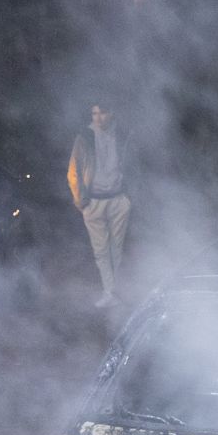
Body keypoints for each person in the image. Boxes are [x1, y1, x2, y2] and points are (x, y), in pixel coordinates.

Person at [68, 100, 132, 307]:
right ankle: (109, 292)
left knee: (117, 248)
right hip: (93, 201)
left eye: (102, 112)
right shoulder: (84, 137)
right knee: (101, 250)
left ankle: (114, 290)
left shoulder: (122, 135)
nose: (98, 117)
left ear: (111, 113)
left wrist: (130, 196)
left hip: (118, 199)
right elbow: (73, 171)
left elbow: (134, 164)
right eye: (94, 113)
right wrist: (80, 200)